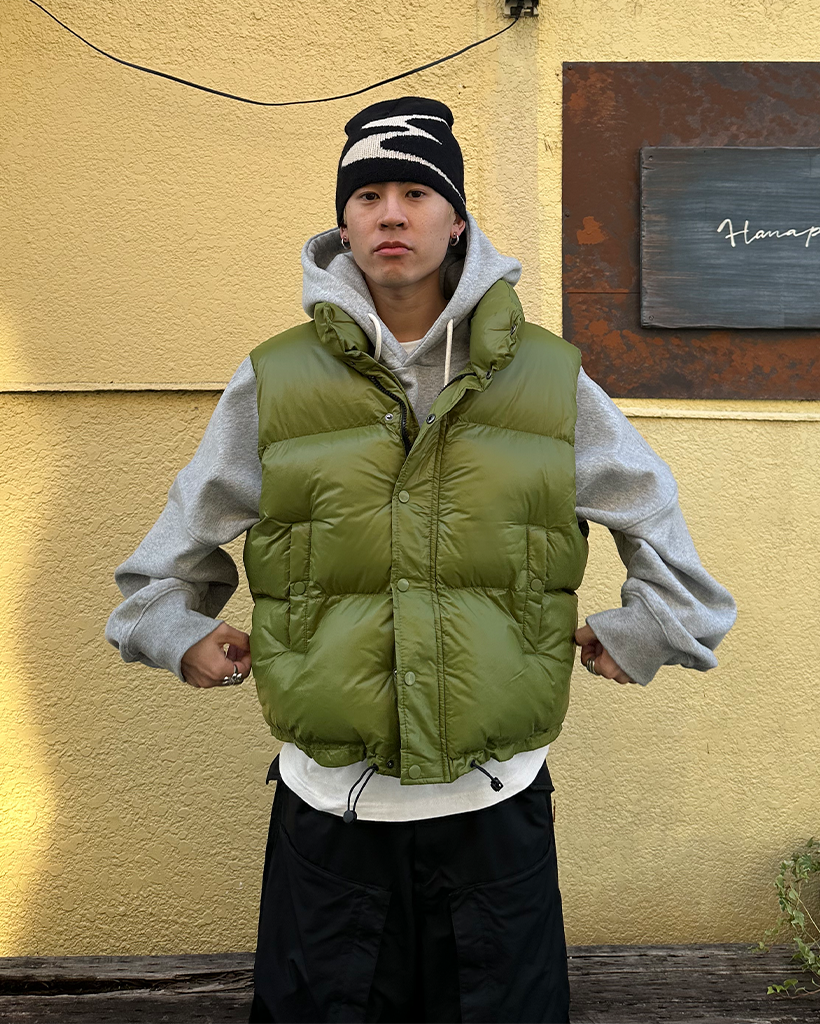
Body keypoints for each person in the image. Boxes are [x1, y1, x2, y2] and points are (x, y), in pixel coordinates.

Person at [105, 95, 737, 1024]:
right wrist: (173, 631)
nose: (390, 215)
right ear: (344, 224)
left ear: (457, 220)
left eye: (415, 192)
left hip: (496, 814)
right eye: (367, 197)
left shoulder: (546, 377)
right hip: (330, 818)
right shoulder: (276, 379)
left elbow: (655, 520)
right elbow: (171, 554)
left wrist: (647, 629)